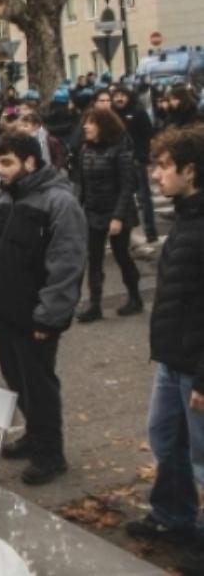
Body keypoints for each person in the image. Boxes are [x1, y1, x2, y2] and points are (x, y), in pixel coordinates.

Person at [0, 132, 87, 485]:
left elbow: (66, 266)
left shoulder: (58, 202)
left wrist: (49, 318)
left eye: (7, 163)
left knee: (39, 388)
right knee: (17, 382)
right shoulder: (0, 197)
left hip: (34, 317)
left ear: (30, 162)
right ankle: (35, 437)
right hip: (3, 312)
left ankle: (50, 454)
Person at [124, 126, 204, 573]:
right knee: (165, 440)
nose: (155, 175)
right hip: (173, 360)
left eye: (164, 166)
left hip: (196, 366)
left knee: (202, 459)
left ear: (190, 171)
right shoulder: (187, 216)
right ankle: (173, 517)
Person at [73, 107, 142, 321]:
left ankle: (135, 297)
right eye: (86, 122)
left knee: (122, 255)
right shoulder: (85, 150)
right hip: (94, 212)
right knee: (94, 259)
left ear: (103, 126)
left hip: (117, 212)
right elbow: (82, 186)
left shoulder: (120, 150)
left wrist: (118, 217)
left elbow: (127, 186)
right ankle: (95, 305)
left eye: (91, 122)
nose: (86, 126)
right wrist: (77, 211)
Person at [111, 85, 159, 247]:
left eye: (122, 95)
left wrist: (144, 157)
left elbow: (149, 136)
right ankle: (127, 235)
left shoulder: (138, 113)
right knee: (123, 199)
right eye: (116, 95)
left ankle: (151, 232)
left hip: (136, 161)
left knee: (144, 198)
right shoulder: (112, 115)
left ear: (128, 96)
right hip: (116, 163)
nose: (119, 99)